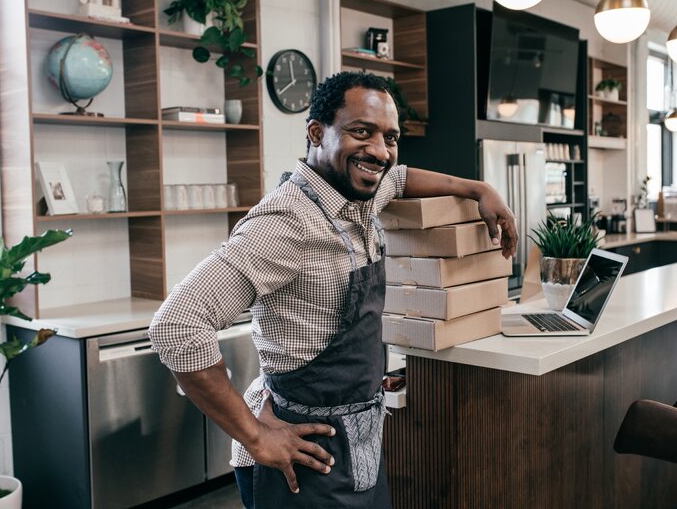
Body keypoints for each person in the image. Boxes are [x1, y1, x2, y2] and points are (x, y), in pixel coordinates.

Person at [149, 71, 518, 508]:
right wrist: (257, 437)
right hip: (302, 460)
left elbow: (399, 179)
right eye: (361, 132)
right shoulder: (287, 224)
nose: (380, 152)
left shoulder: (361, 197)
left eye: (390, 137)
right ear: (317, 133)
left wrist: (479, 188)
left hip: (359, 443)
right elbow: (176, 326)